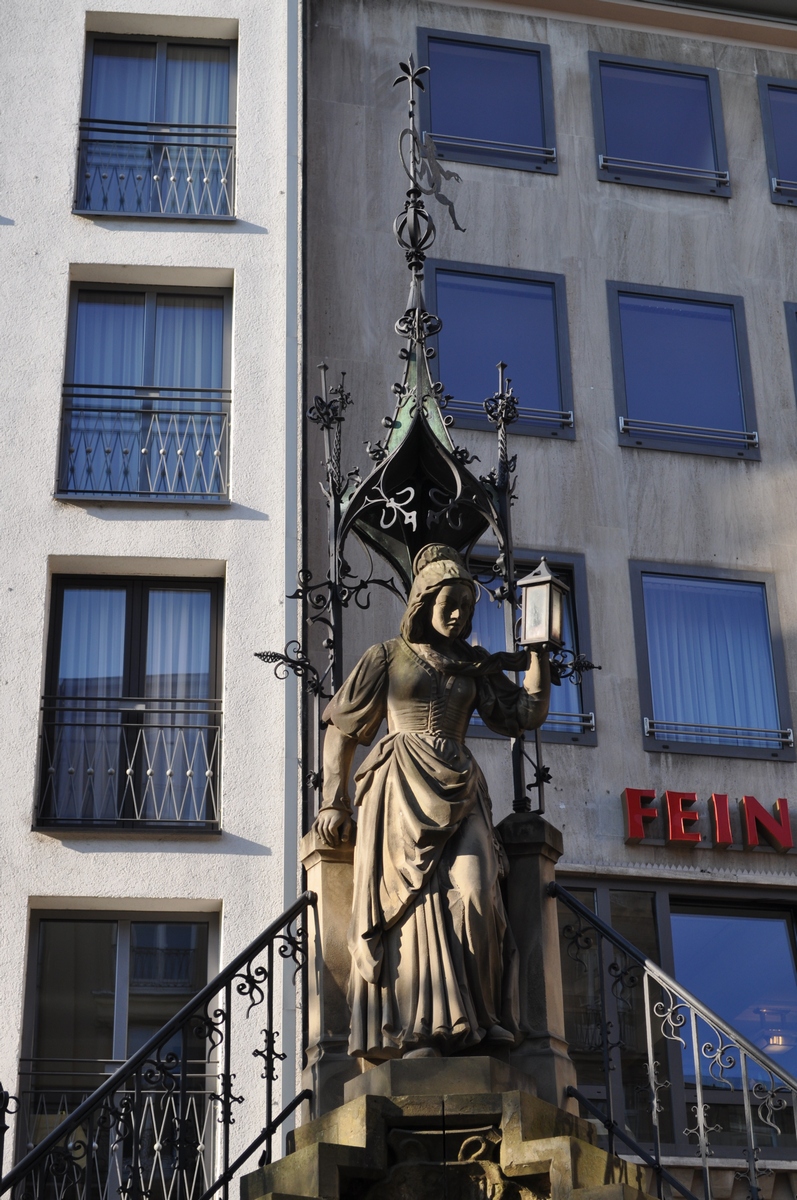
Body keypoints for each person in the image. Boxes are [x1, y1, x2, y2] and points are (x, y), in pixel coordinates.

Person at [314, 543, 551, 1060]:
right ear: (423, 600)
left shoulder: (474, 666)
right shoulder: (386, 657)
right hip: (398, 785)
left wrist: (538, 651)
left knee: (476, 887)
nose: (459, 613)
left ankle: (482, 1016)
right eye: (450, 601)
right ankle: (420, 1024)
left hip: (462, 785)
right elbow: (341, 730)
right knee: (411, 905)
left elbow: (523, 714)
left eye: (467, 604)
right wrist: (334, 800)